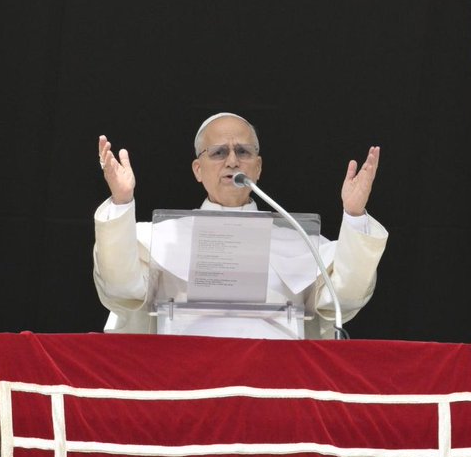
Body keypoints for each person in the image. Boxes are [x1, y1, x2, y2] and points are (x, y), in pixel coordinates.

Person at [93, 112, 387, 338]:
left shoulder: (299, 240)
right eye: (219, 152)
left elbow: (345, 296)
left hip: (276, 379)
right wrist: (122, 201)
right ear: (198, 170)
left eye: (243, 152)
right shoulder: (161, 237)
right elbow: (121, 287)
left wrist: (354, 214)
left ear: (257, 167)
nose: (232, 161)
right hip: (187, 378)